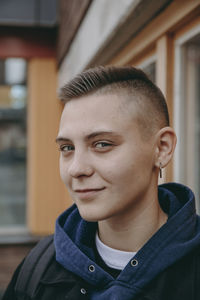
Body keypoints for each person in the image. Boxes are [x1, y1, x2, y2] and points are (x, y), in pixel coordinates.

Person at [3, 66, 200, 300]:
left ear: (162, 148)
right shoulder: (38, 269)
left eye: (102, 144)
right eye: (67, 148)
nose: (76, 168)